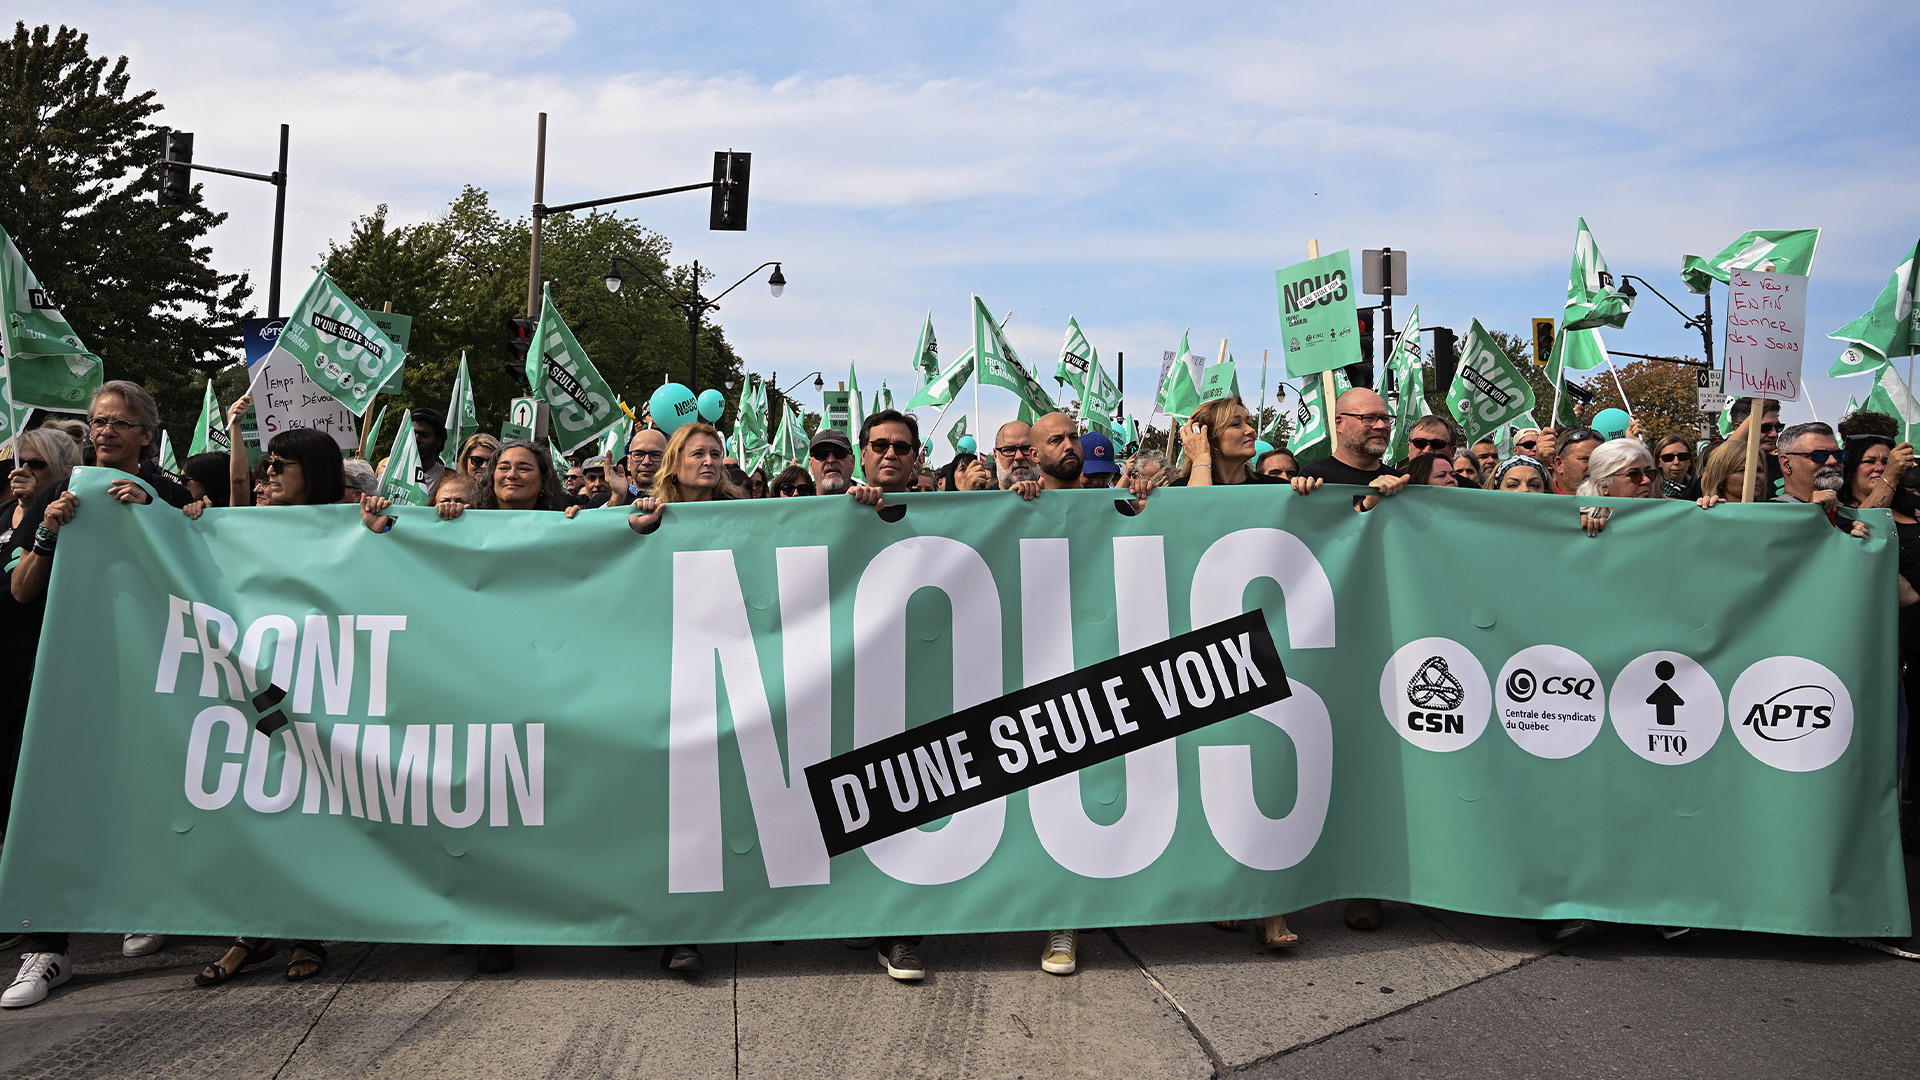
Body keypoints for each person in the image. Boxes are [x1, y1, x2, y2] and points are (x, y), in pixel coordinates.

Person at [5, 381, 194, 1006]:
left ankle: (145, 902)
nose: (105, 431)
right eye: (97, 421)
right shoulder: (62, 493)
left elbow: (202, 571)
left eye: (118, 422)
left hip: (142, 672)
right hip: (63, 673)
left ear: (147, 433)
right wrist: (48, 533)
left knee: (141, 787)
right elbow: (22, 592)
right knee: (53, 796)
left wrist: (156, 513)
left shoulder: (167, 492)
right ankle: (47, 948)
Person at [184, 427, 347, 989]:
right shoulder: (236, 526)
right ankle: (254, 928)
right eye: (267, 465)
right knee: (258, 800)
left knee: (309, 806)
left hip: (322, 691)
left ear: (315, 474)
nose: (267, 474)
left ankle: (305, 930)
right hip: (251, 688)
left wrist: (386, 525)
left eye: (280, 466)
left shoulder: (351, 529)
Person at [0, 428, 81, 847]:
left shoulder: (75, 515)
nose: (22, 471)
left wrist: (38, 507)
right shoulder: (3, 515)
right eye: (18, 462)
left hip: (37, 656)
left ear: (64, 472)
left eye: (36, 464)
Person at [1292, 389, 1410, 520]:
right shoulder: (1314, 480)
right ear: (1339, 423)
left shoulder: (1402, 483)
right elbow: (1319, 536)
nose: (1381, 425)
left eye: (1385, 418)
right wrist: (1366, 506)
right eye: (1368, 418)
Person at [1173, 397, 1289, 488]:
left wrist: (1303, 487)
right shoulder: (1177, 490)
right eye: (1236, 424)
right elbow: (1197, 511)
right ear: (1206, 436)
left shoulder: (1276, 487)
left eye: (1249, 424)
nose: (1251, 431)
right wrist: (1200, 459)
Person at [1701, 438, 1757, 502]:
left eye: (1759, 470)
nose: (1754, 476)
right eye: (1742, 470)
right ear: (1720, 478)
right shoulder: (1708, 510)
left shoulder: (1770, 510)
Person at [1549, 427, 1602, 495]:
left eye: (1599, 460)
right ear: (1559, 464)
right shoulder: (1542, 502)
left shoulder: (1614, 500)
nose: (1594, 465)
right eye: (1585, 459)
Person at [409, 408, 450, 493]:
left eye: (424, 435)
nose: (416, 439)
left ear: (438, 441)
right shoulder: (390, 474)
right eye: (412, 434)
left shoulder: (450, 479)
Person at [808, 429, 857, 495]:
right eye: (821, 455)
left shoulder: (871, 502)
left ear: (852, 462)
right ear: (811, 465)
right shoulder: (799, 505)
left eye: (839, 453)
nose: (831, 460)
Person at [993, 420, 1039, 489]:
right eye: (1009, 450)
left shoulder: (1056, 497)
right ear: (996, 455)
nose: (1019, 456)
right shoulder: (981, 499)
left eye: (1026, 448)